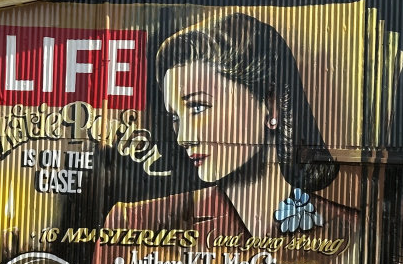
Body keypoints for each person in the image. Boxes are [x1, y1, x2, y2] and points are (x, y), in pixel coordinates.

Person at [105, 12, 355, 239]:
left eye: (198, 106)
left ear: (271, 107)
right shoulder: (133, 224)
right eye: (175, 117)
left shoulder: (348, 233)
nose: (183, 138)